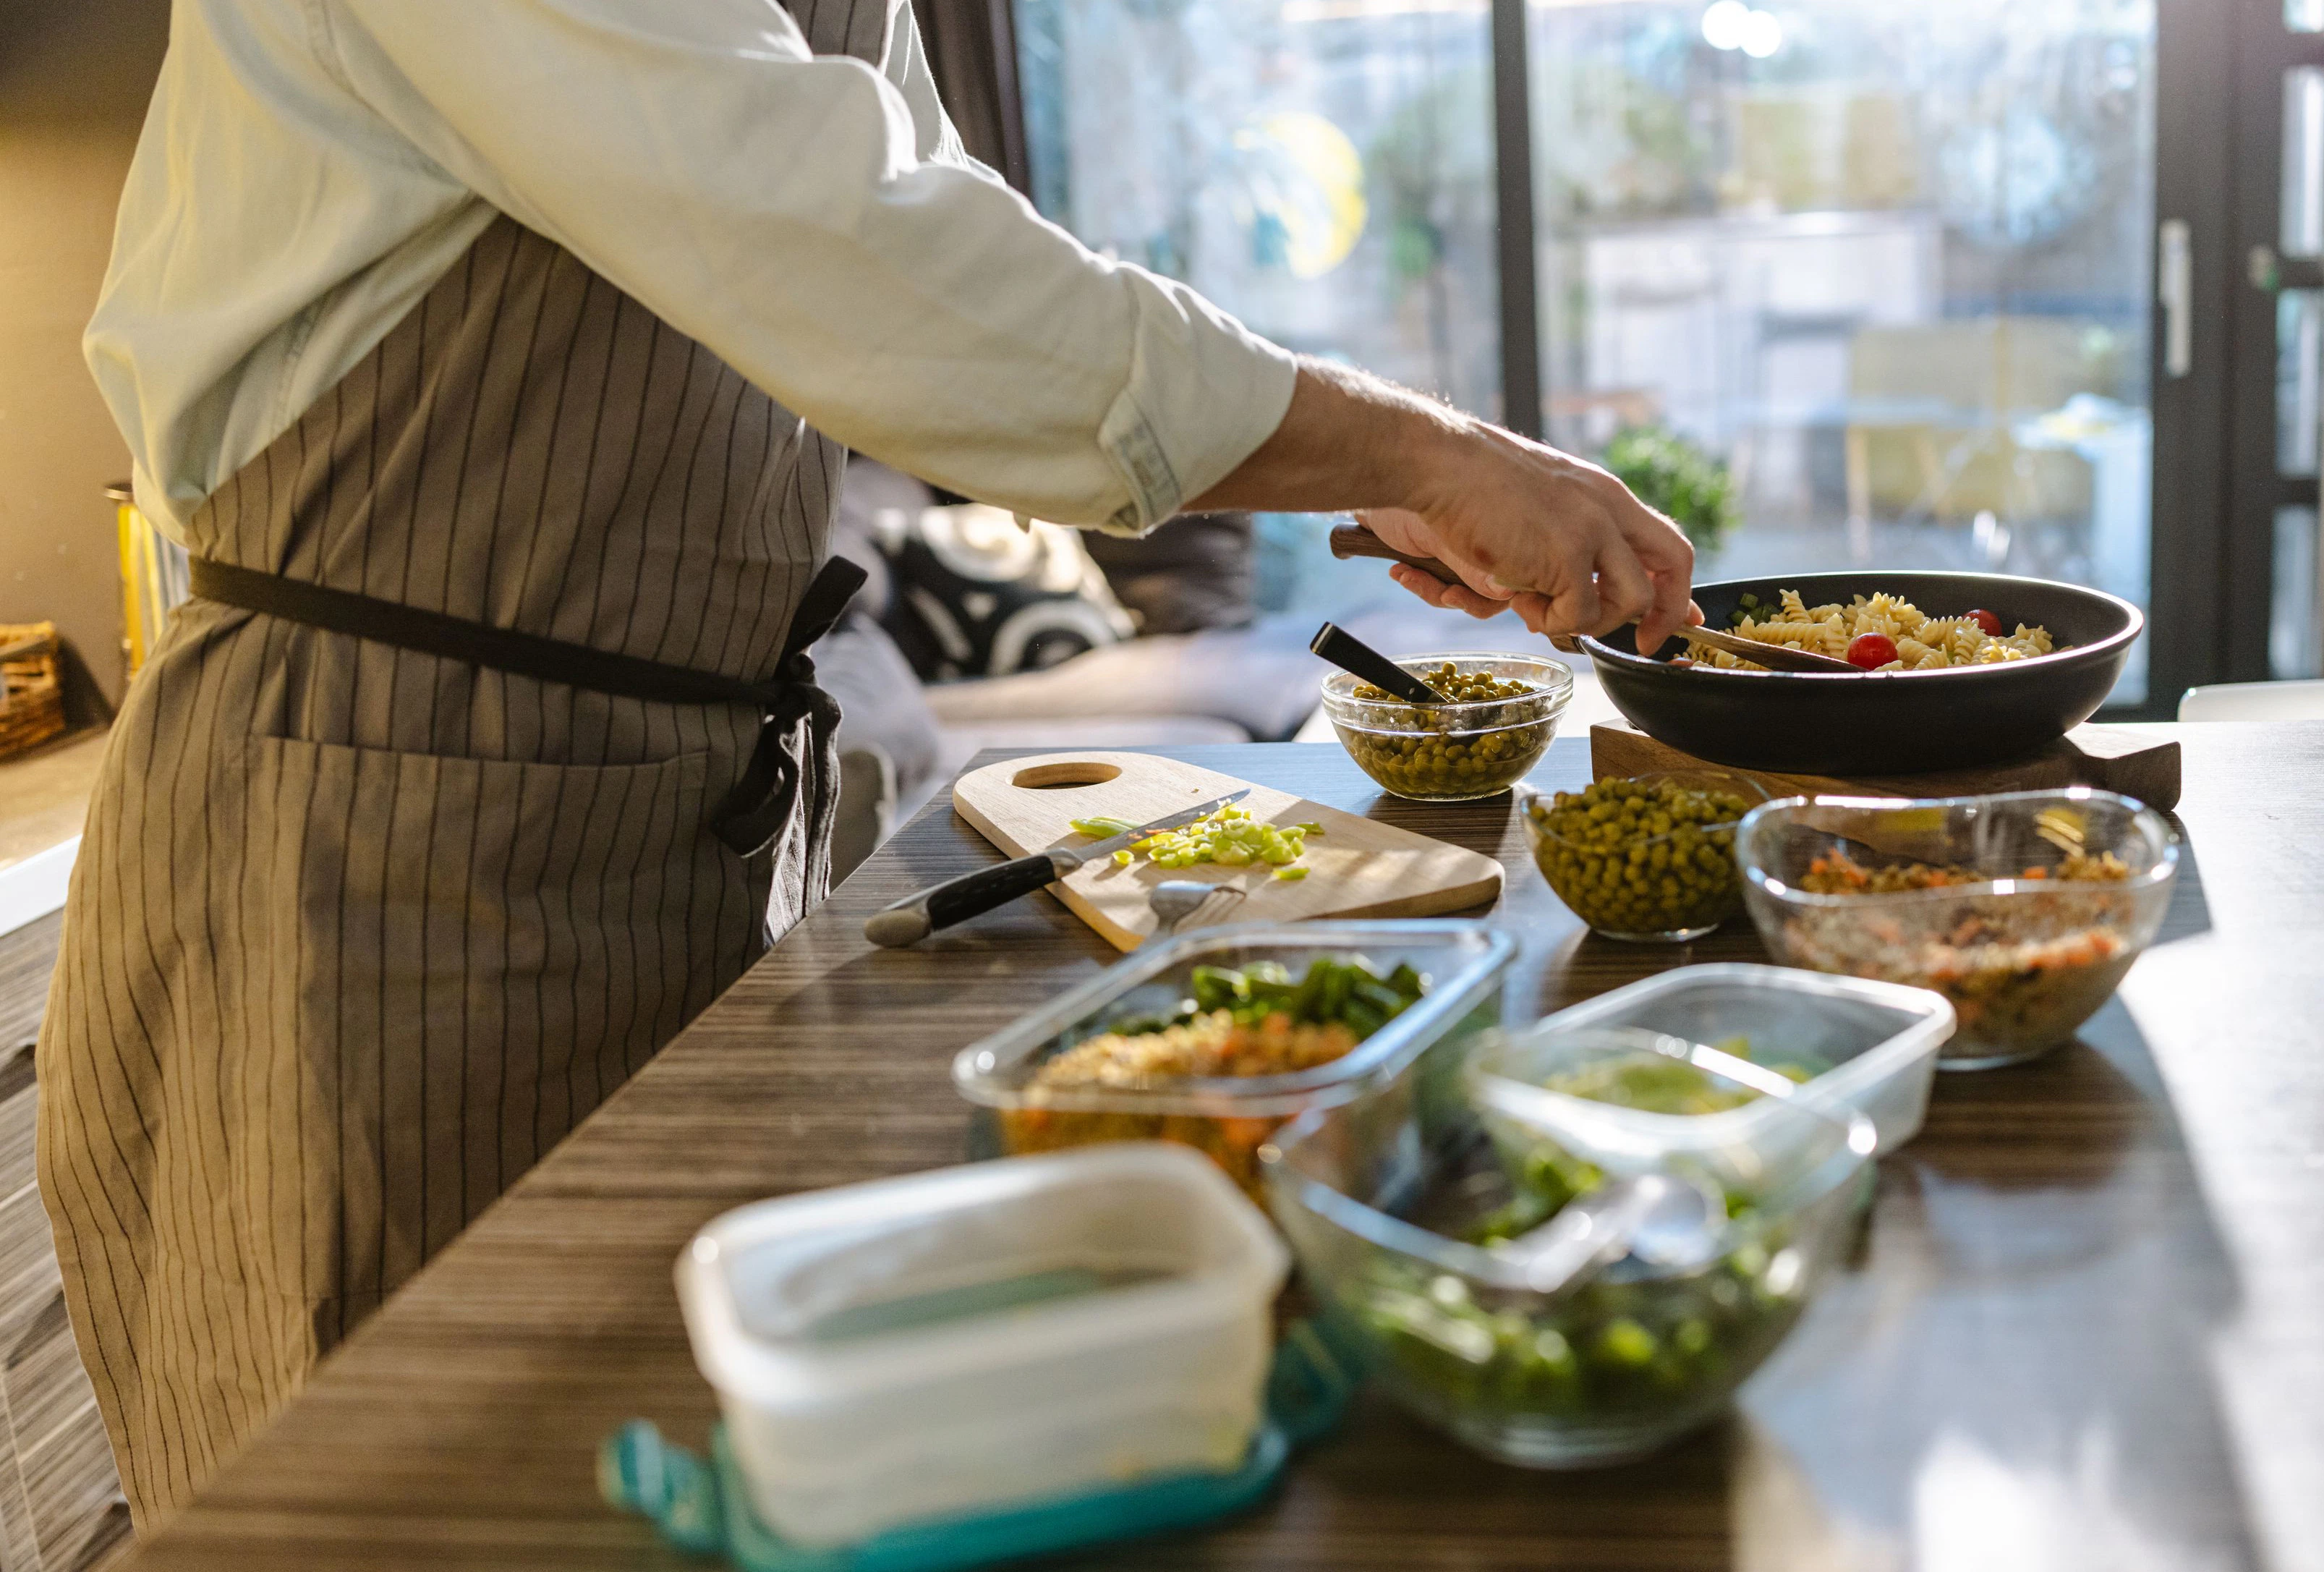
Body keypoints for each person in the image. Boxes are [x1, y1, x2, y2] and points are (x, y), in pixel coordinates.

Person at [53, 0, 1694, 1526]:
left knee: (716, 1477)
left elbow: (957, 266)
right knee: (408, 1506)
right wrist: (1428, 453)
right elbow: (862, 257)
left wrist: (1377, 467)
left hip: (687, 820)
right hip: (370, 832)